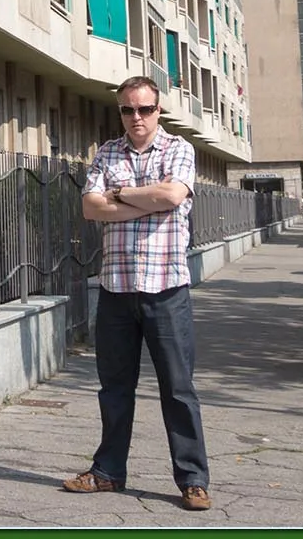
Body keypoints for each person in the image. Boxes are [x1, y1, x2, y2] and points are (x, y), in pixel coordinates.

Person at [63, 76, 212, 512]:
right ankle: (108, 471)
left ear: (158, 109)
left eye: (144, 109)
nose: (136, 118)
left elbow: (172, 194)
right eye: (128, 110)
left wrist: (121, 195)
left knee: (178, 389)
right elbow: (91, 208)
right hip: (116, 290)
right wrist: (147, 202)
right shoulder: (107, 152)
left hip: (166, 289)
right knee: (114, 388)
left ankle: (192, 479)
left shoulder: (179, 149)